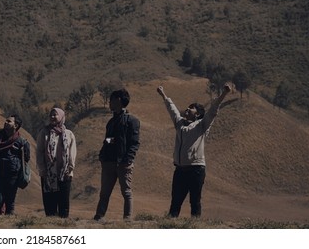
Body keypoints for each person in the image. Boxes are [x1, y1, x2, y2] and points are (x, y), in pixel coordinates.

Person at [157, 83, 232, 218]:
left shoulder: (202, 125)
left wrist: (224, 94)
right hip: (179, 170)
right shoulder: (179, 123)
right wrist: (163, 95)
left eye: (191, 108)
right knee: (175, 201)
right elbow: (172, 109)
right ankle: (169, 225)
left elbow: (213, 110)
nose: (187, 108)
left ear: (198, 114)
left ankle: (195, 227)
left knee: (195, 201)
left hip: (196, 170)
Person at [94, 89, 140, 221]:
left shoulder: (132, 121)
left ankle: (127, 218)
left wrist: (128, 159)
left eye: (111, 100)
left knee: (126, 192)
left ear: (119, 100)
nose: (109, 103)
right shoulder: (111, 122)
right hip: (109, 162)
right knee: (104, 193)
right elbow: (109, 139)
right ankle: (99, 216)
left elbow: (134, 143)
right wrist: (103, 153)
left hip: (123, 162)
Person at [36, 108, 77, 218]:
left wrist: (70, 168)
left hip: (65, 173)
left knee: (63, 200)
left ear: (62, 117)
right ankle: (50, 222)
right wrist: (42, 169)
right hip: (48, 173)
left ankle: (63, 223)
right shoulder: (44, 133)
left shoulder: (69, 134)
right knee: (49, 201)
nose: (52, 117)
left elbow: (72, 152)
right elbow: (39, 151)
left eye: (55, 115)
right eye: (51, 115)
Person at [0, 114, 30, 215]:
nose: (5, 122)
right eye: (6, 121)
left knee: (10, 200)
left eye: (9, 121)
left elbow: (26, 158)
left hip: (13, 176)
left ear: (16, 125)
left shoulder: (22, 142)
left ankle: (9, 223)